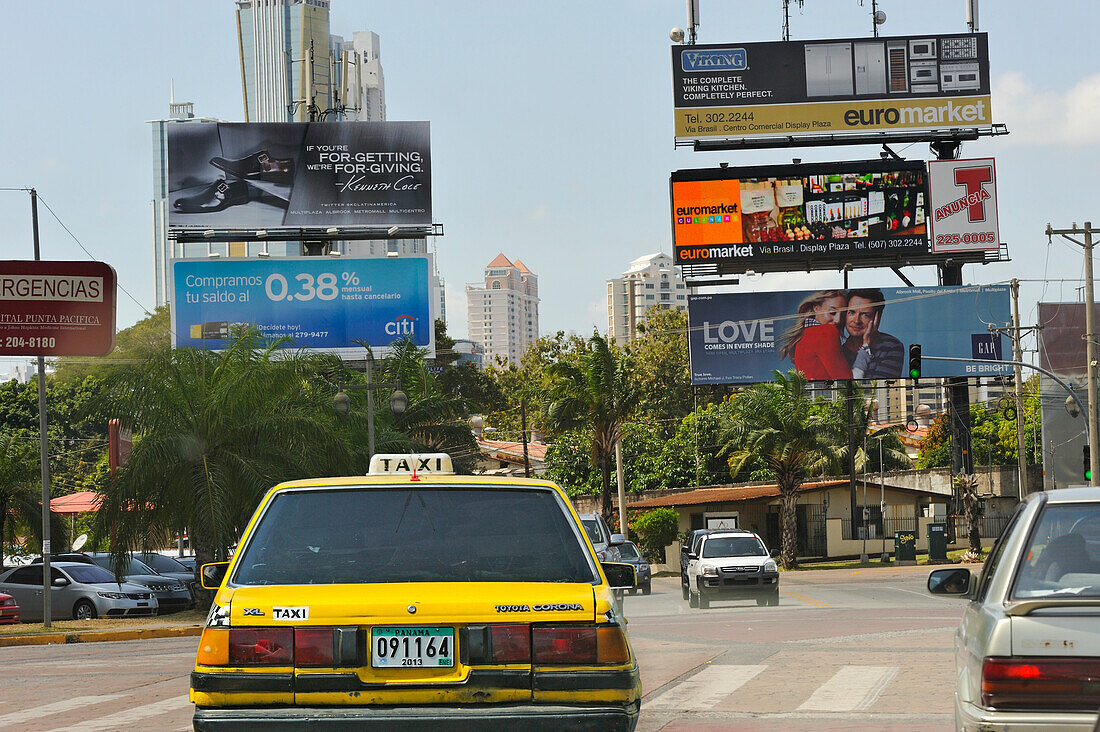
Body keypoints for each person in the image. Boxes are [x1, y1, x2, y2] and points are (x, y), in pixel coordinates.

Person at [777, 290, 858, 380]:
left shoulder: (805, 335)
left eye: (843, 315)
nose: (838, 320)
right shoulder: (825, 331)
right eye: (832, 312)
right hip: (826, 393)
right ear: (816, 308)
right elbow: (845, 379)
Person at [842, 288, 904, 379]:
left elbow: (879, 390)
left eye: (865, 315)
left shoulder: (891, 346)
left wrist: (866, 344)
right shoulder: (840, 351)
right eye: (851, 312)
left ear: (877, 318)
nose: (856, 321)